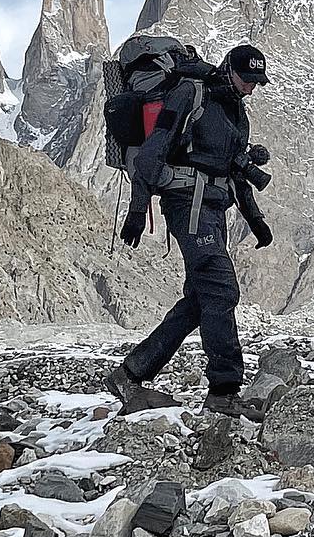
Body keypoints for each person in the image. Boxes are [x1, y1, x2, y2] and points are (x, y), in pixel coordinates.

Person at [106, 44, 274, 417]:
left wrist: (255, 220)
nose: (250, 88)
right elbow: (152, 152)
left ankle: (130, 374)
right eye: (246, 79)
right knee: (221, 289)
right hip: (188, 206)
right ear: (229, 69)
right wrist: (137, 209)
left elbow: (234, 170)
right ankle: (224, 392)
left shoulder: (236, 111)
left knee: (200, 300)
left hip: (213, 210)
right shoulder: (190, 92)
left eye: (256, 82)